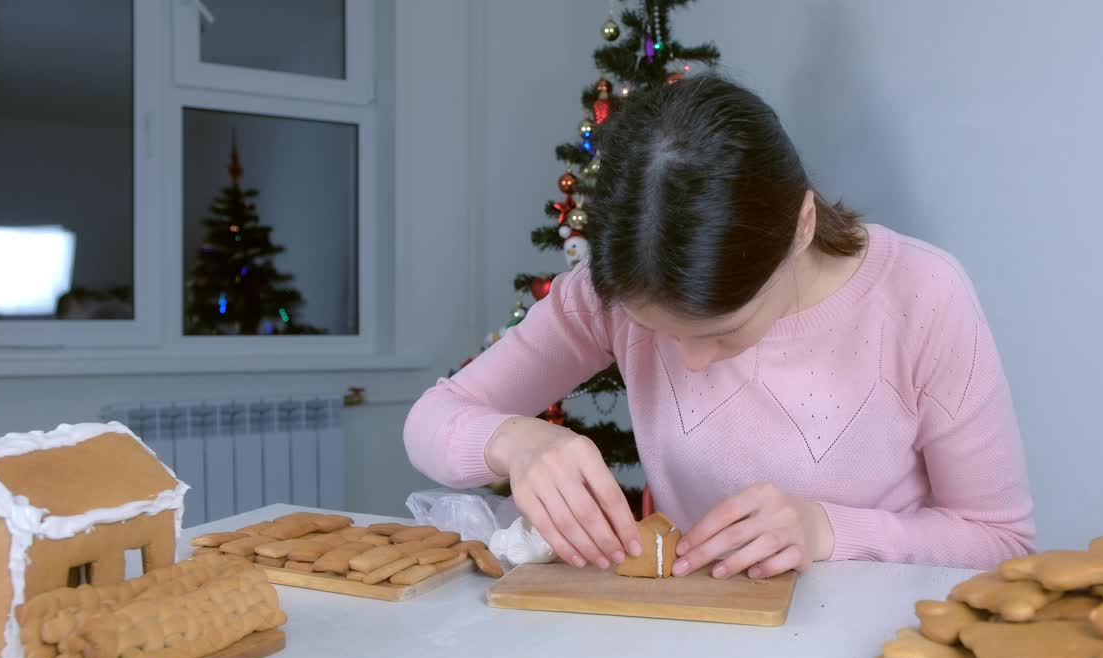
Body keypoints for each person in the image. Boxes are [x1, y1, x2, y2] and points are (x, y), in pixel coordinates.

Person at [404, 74, 1034, 577]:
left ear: (802, 227)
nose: (692, 362)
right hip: (694, 651)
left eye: (724, 328)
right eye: (659, 332)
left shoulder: (922, 295)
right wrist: (518, 443)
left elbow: (1001, 542)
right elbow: (430, 419)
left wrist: (827, 531)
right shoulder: (610, 293)